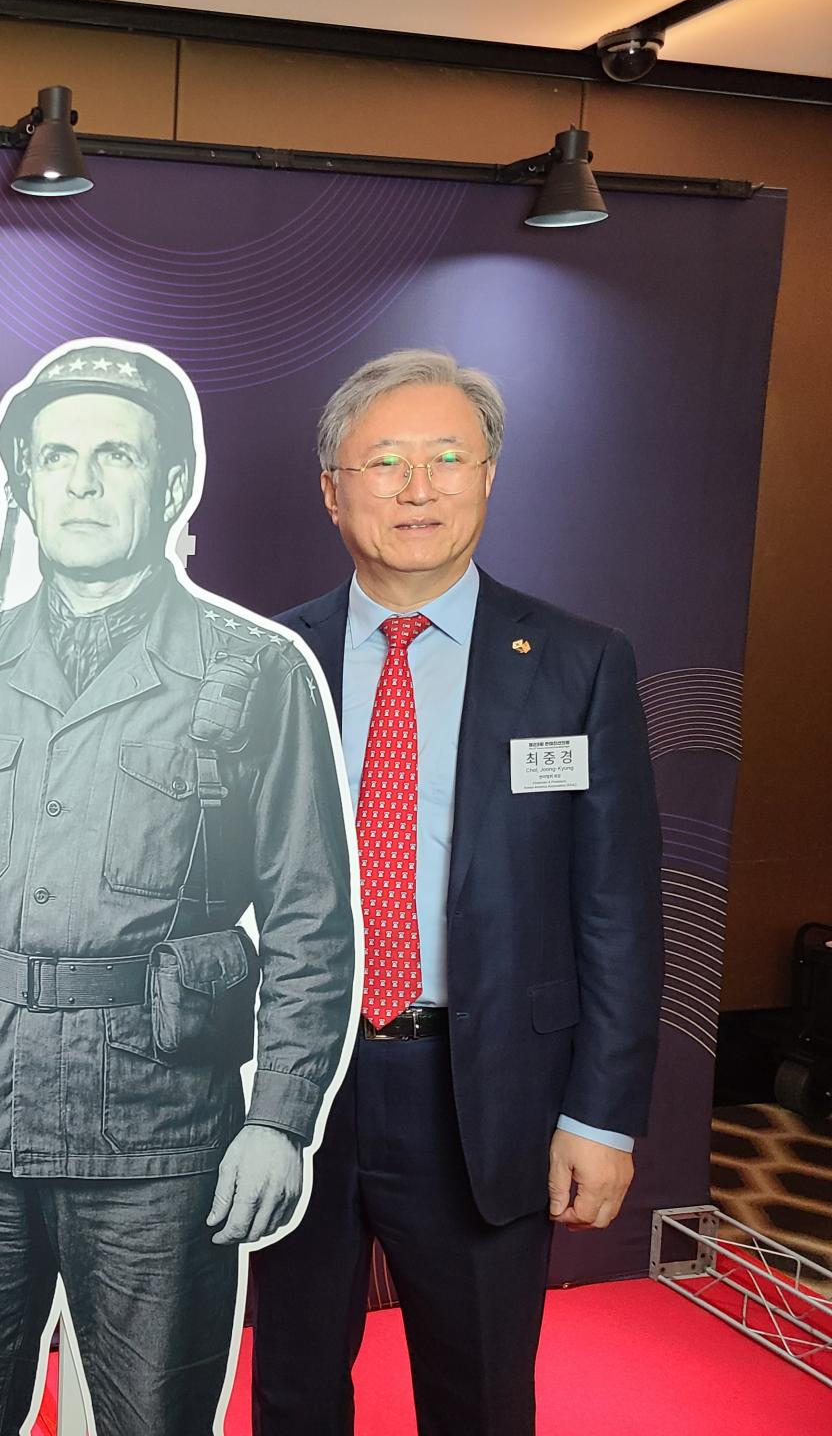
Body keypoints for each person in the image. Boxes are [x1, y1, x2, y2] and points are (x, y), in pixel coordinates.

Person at [0, 340, 356, 1436]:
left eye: (115, 455)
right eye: (56, 458)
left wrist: (282, 1119)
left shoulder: (253, 671)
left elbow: (310, 920)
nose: (81, 483)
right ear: (23, 482)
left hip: (160, 1133)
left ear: (172, 483)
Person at [250, 349, 663, 1436]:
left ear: (489, 477)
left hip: (486, 1091)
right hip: (295, 1086)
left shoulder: (576, 664)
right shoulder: (263, 662)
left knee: (478, 1394)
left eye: (447, 458)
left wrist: (601, 1117)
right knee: (291, 1385)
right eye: (385, 461)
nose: (417, 488)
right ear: (333, 489)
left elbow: (618, 911)